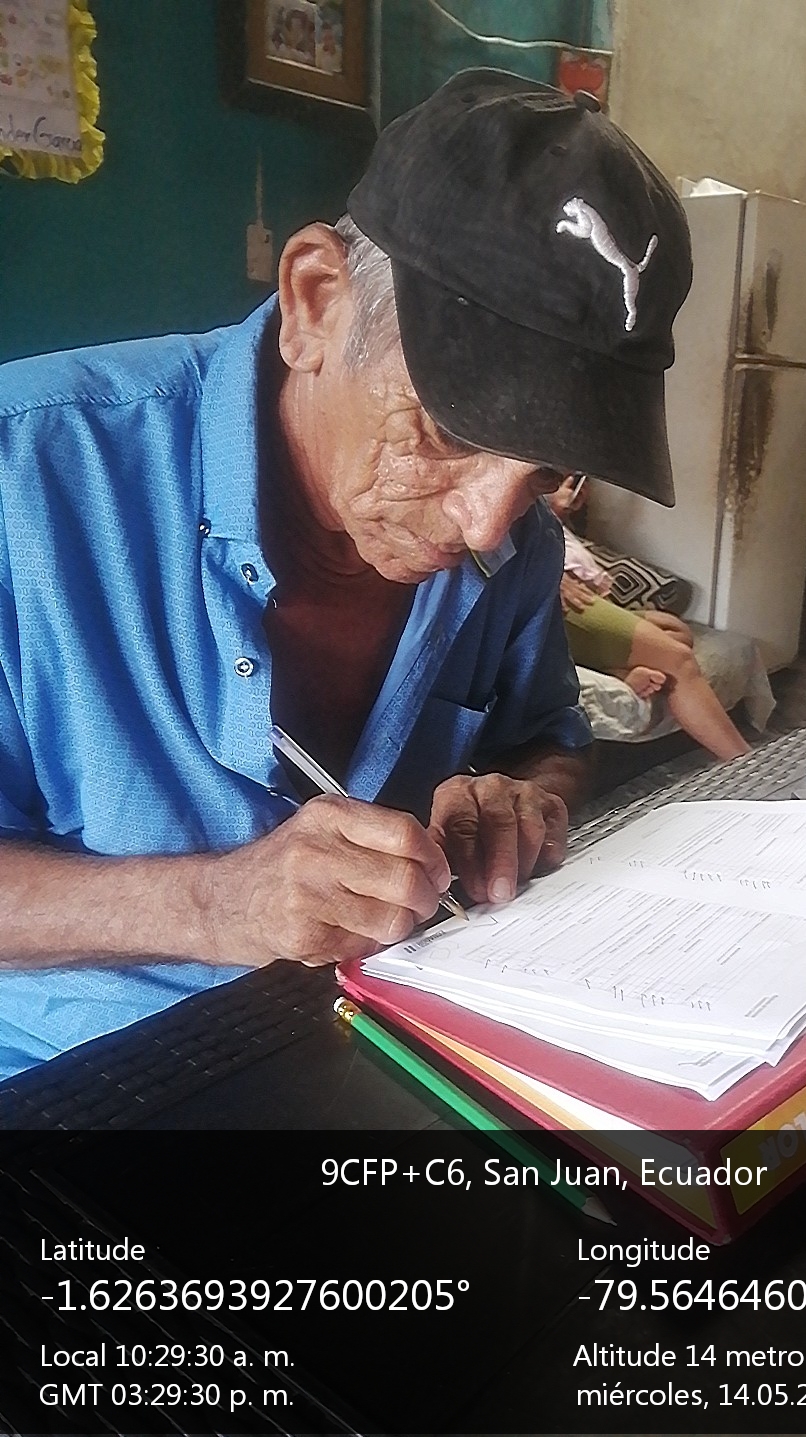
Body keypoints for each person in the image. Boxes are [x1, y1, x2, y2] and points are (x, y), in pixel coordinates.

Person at [0, 70, 694, 1079]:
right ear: (314, 302)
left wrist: (520, 799)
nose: (485, 522)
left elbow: (549, 736)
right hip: (84, 1080)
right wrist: (217, 904)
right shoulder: (27, 480)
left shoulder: (518, 541)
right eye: (448, 430)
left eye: (546, 471)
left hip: (381, 1039)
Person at [548, 477, 751, 761]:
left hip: (570, 587)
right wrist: (547, 567)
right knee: (677, 659)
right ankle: (747, 763)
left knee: (676, 631)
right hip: (550, 595)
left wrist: (555, 507)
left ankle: (616, 672)